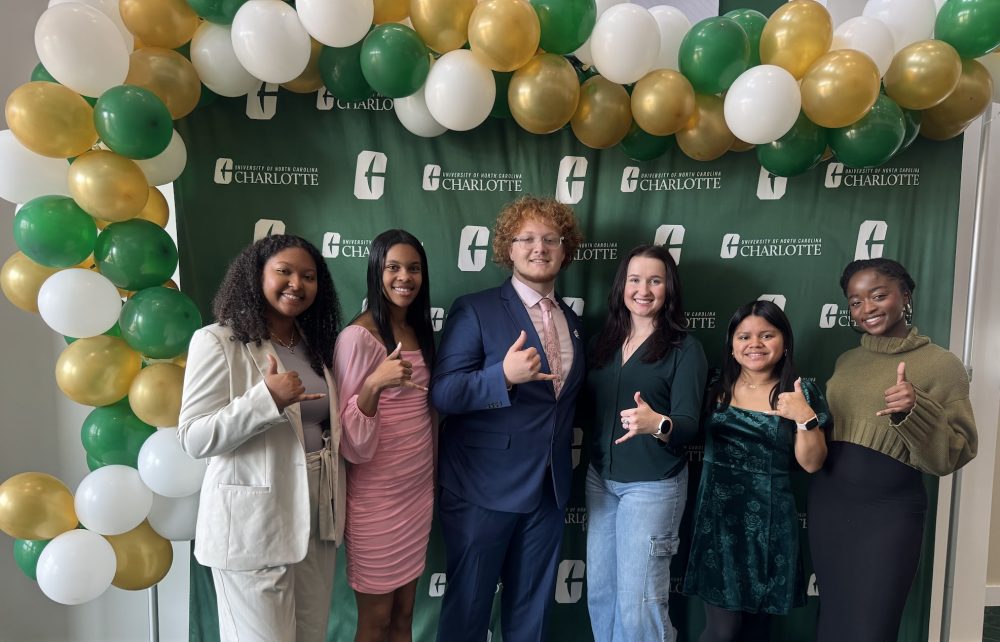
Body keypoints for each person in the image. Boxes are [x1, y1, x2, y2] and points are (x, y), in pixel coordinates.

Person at [430, 195, 585, 642]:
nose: (540, 248)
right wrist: (502, 376)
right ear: (509, 249)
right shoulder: (475, 308)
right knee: (468, 611)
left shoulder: (572, 321)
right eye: (527, 239)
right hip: (481, 487)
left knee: (531, 614)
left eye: (551, 239)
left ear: (565, 249)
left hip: (548, 491)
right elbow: (444, 392)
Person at [177, 234, 346, 642]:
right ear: (256, 277)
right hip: (252, 529)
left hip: (314, 522)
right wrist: (265, 399)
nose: (297, 284)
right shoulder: (218, 341)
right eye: (284, 272)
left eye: (308, 276)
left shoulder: (313, 348)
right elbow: (194, 437)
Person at [809, 258, 978, 642]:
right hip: (830, 505)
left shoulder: (941, 364)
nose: (866, 308)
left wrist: (916, 408)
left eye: (878, 295)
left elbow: (956, 452)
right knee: (833, 623)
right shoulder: (846, 361)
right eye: (855, 301)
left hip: (889, 513)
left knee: (872, 630)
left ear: (905, 295)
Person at [684, 300, 829, 642]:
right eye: (744, 336)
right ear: (732, 346)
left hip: (770, 525)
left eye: (767, 335)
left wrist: (805, 418)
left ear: (784, 342)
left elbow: (812, 463)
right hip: (718, 523)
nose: (755, 344)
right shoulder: (713, 388)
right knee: (723, 630)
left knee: (756, 630)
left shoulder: (800, 392)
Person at [585, 245, 708, 642]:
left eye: (655, 280)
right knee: (602, 597)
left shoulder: (684, 348)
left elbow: (689, 426)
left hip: (653, 486)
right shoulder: (602, 343)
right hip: (600, 481)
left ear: (669, 289)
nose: (644, 289)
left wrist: (658, 423)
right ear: (622, 285)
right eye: (635, 279)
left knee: (639, 606)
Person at [332, 229, 435, 642]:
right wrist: (374, 384)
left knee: (404, 617)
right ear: (376, 271)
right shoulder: (357, 337)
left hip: (416, 494)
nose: (404, 277)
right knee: (374, 622)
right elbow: (349, 442)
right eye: (393, 267)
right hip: (374, 501)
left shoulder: (418, 331)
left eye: (413, 268)